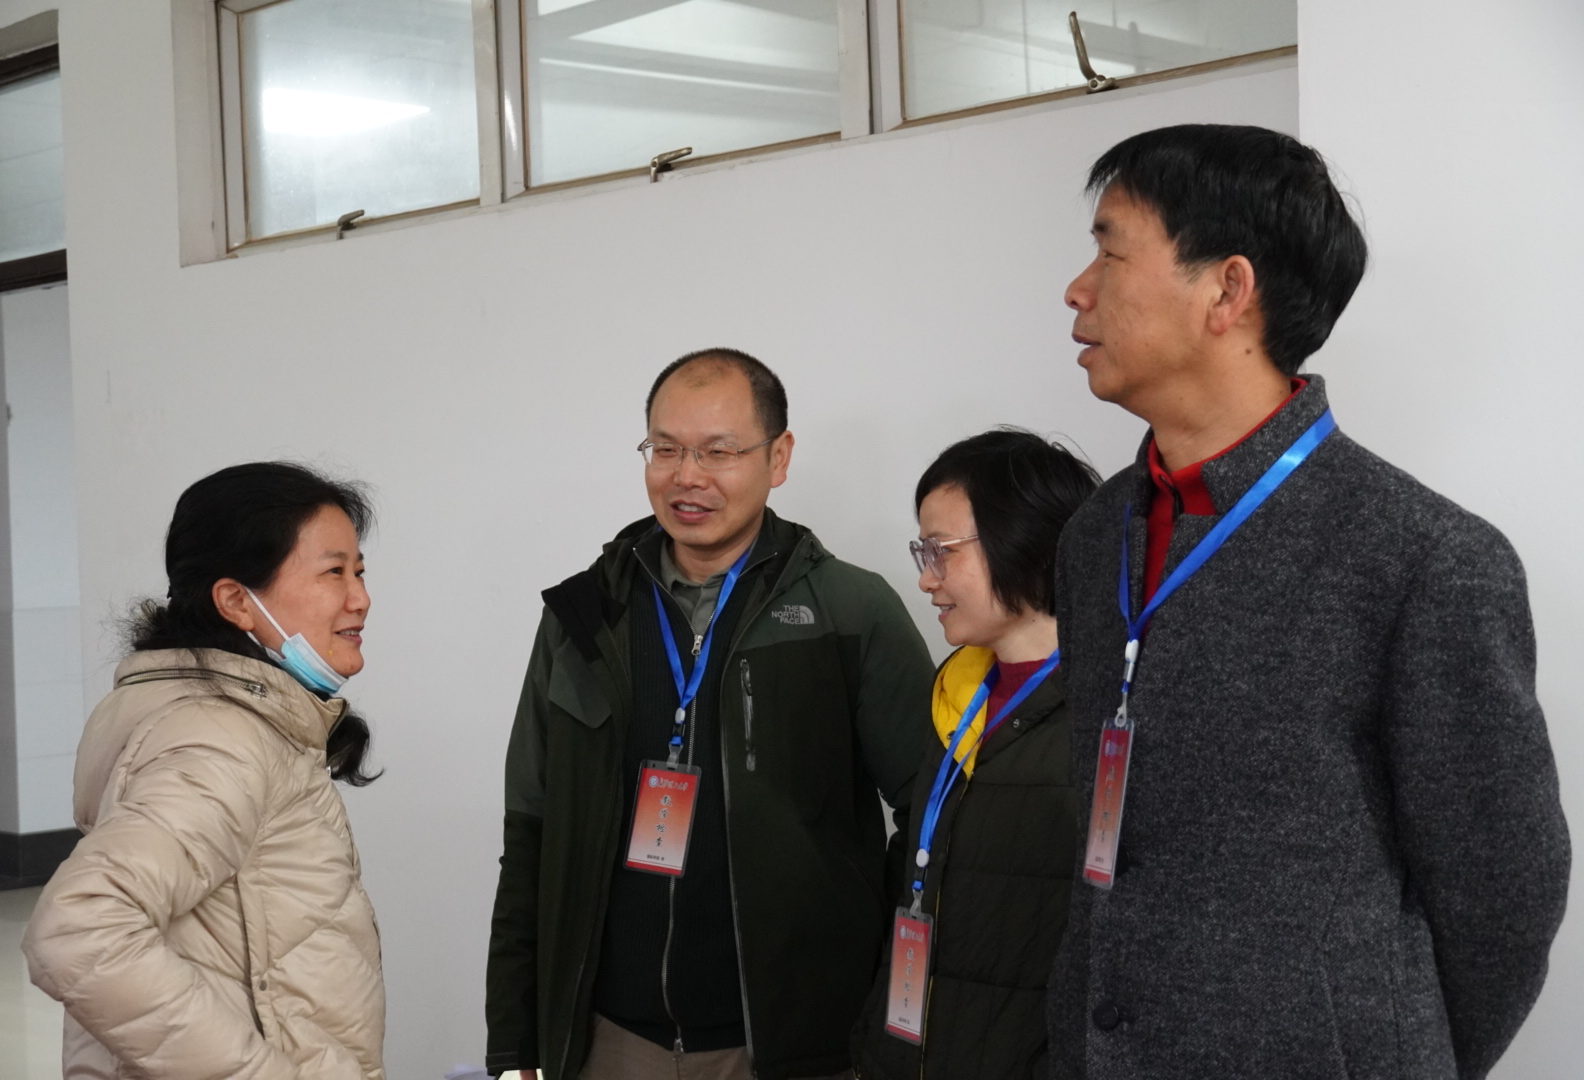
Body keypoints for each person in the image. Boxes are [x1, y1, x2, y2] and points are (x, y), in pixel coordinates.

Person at [1047, 124, 1570, 1080]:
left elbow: (1504, 893)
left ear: (1228, 290)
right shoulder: (1095, 535)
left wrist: (1381, 1049)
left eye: (1110, 253)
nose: (1078, 290)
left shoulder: (1424, 558)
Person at [485, 348, 933, 1080]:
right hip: (607, 1041)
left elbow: (932, 814)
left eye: (718, 451)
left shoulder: (850, 612)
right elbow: (530, 830)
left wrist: (876, 998)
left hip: (790, 1049)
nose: (687, 476)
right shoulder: (584, 615)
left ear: (778, 457)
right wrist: (516, 1041)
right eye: (665, 449)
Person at [23, 462, 386, 1080]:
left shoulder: (238, 723)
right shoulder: (221, 738)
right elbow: (77, 929)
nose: (360, 599)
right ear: (236, 601)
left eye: (359, 572)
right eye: (333, 572)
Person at [852, 429, 1099, 1080]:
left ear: (1027, 541)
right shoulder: (956, 695)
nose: (925, 578)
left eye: (942, 551)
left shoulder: (1113, 714)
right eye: (921, 551)